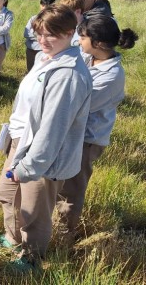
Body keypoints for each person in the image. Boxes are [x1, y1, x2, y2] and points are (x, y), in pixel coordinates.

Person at [0, 4, 92, 272]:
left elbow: (52, 130)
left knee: (35, 211)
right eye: (39, 33)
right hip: (21, 142)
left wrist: (28, 167)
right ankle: (13, 240)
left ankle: (31, 260)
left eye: (51, 34)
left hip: (43, 156)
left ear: (70, 32)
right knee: (6, 194)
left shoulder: (68, 74)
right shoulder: (45, 59)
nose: (42, 40)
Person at [56, 15, 138, 240]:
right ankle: (53, 227)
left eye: (83, 37)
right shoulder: (87, 56)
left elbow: (78, 103)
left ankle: (64, 236)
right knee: (60, 183)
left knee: (72, 188)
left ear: (99, 44)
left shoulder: (112, 75)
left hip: (87, 139)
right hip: (72, 132)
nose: (79, 41)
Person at [23, 0, 56, 72]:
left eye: (47, 6)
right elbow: (26, 34)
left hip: (43, 50)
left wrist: (35, 34)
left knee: (42, 71)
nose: (44, 8)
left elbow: (52, 36)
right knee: (30, 71)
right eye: (43, 5)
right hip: (31, 49)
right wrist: (41, 35)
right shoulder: (33, 18)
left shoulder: (54, 20)